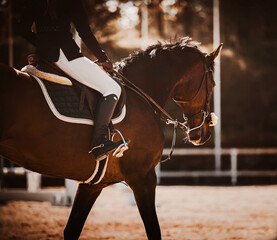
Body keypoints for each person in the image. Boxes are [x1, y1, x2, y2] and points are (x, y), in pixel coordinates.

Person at [16, 0, 127, 161]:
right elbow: (84, 32)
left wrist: (41, 43)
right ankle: (99, 142)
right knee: (113, 88)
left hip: (44, 55)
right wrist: (103, 58)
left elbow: (21, 28)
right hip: (65, 54)